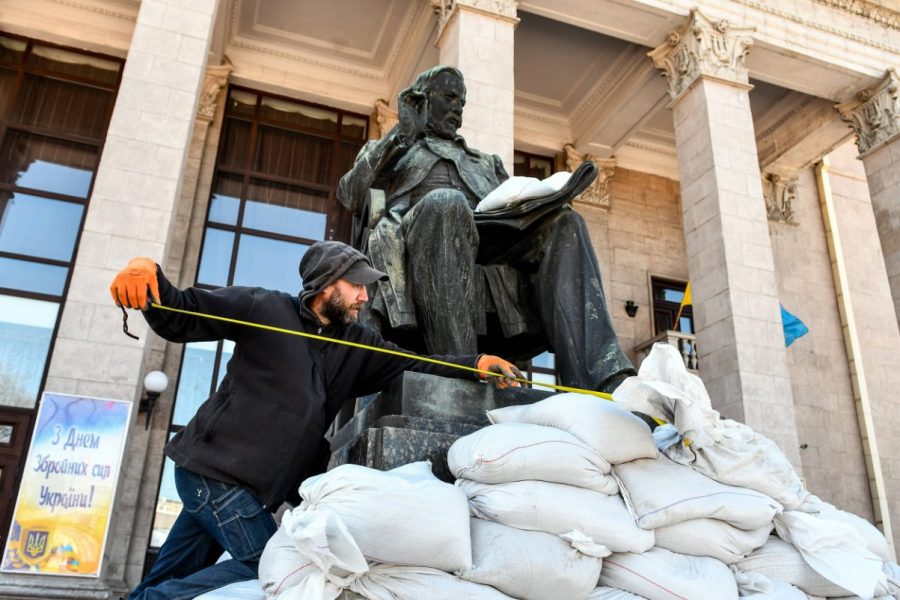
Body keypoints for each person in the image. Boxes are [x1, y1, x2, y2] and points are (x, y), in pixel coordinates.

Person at [110, 241, 521, 600]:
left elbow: (412, 363)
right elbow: (186, 312)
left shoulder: (357, 344)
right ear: (327, 283)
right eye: (356, 285)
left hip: (244, 490)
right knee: (278, 566)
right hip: (215, 475)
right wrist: (148, 275)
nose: (365, 296)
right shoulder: (264, 308)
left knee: (171, 575)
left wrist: (476, 364)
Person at [337, 65, 635, 393]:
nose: (457, 108)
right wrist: (401, 132)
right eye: (449, 97)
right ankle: (461, 372)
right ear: (423, 99)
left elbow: (511, 200)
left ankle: (603, 379)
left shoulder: (485, 162)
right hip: (420, 235)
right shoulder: (398, 147)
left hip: (488, 234)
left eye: (461, 102)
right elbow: (350, 193)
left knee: (566, 222)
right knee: (446, 204)